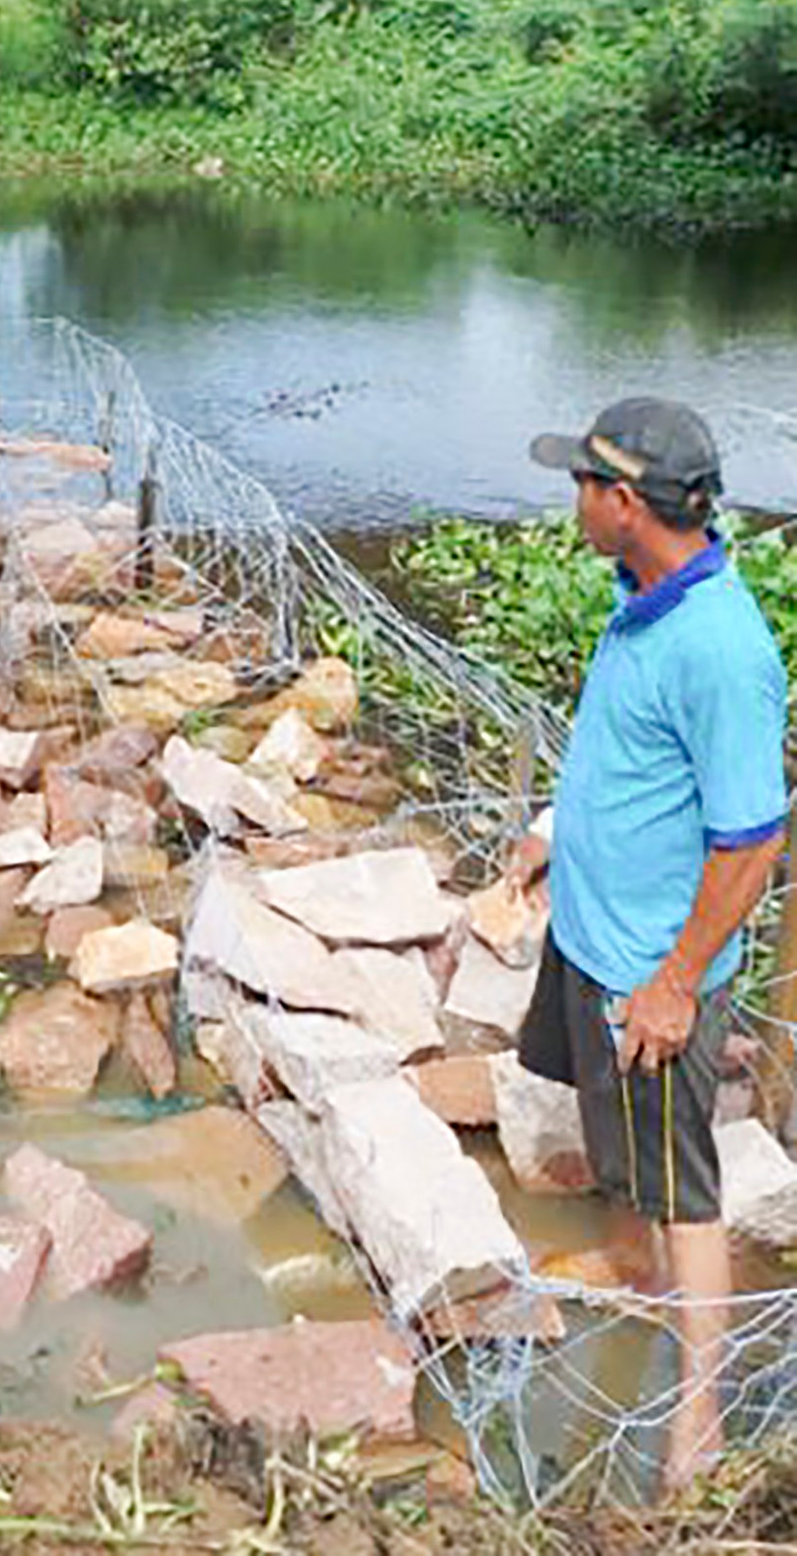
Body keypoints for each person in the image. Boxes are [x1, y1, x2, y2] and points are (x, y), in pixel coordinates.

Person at [515, 397, 788, 1493]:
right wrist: (548, 834)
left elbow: (751, 841)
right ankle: (631, 1270)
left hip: (647, 974)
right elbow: (619, 756)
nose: (572, 498)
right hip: (591, 934)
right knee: (609, 1130)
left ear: (623, 503)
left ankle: (700, 1407)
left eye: (582, 482)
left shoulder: (723, 651)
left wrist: (677, 985)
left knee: (686, 1186)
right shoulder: (639, 598)